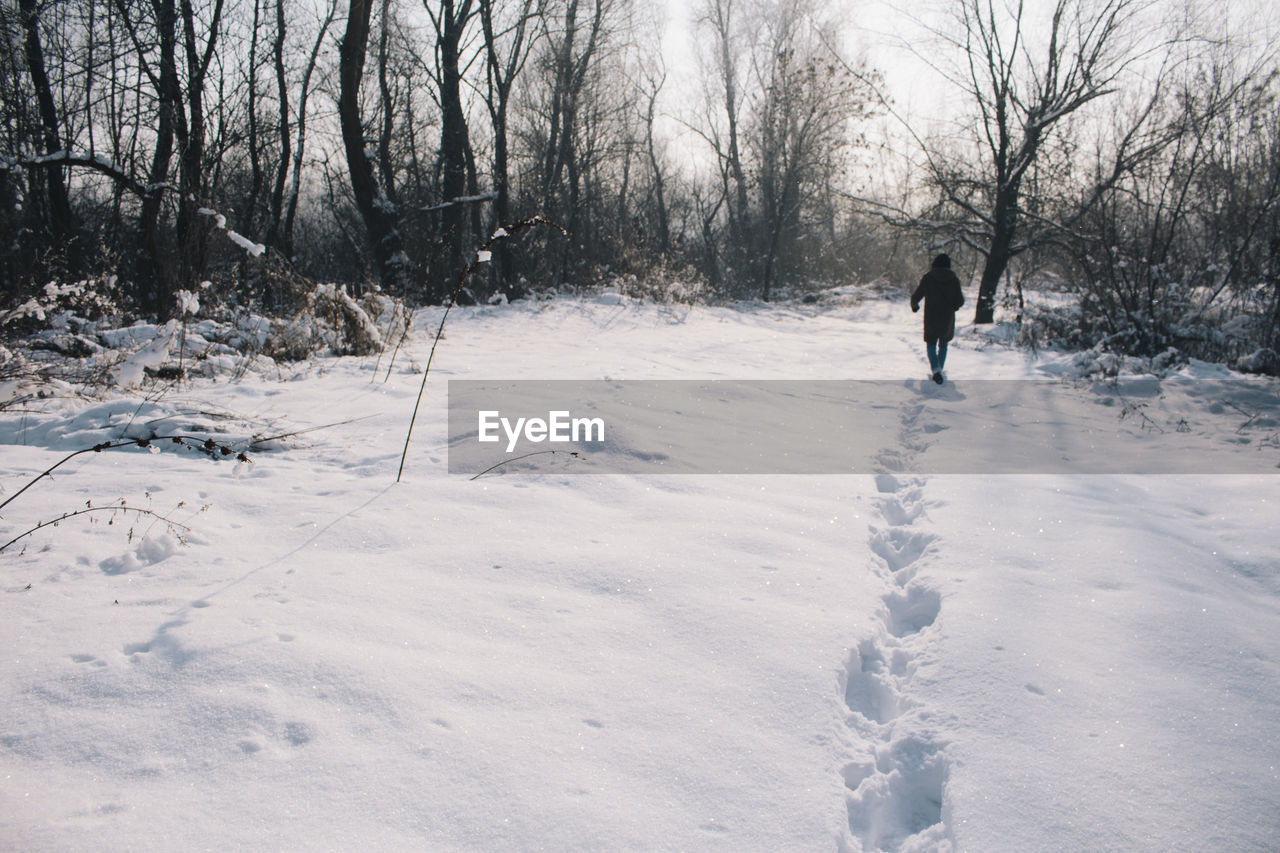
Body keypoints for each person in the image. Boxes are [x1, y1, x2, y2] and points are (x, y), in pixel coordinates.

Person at [910, 253, 965, 384]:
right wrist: (954, 307)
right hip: (947, 317)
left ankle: (936, 370)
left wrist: (914, 305)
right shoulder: (953, 279)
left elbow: (917, 295)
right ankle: (939, 369)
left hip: (931, 315)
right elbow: (960, 300)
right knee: (944, 344)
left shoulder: (928, 278)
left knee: (931, 343)